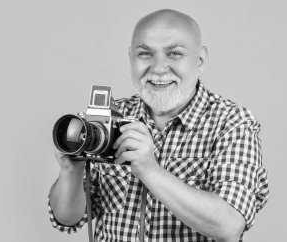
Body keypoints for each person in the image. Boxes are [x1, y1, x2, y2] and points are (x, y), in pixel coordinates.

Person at [48, 9, 269, 241]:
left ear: (200, 60)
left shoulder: (232, 123)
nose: (159, 68)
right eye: (145, 54)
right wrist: (70, 172)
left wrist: (149, 170)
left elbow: (229, 226)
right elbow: (67, 218)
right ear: (130, 58)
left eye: (174, 53)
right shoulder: (111, 119)